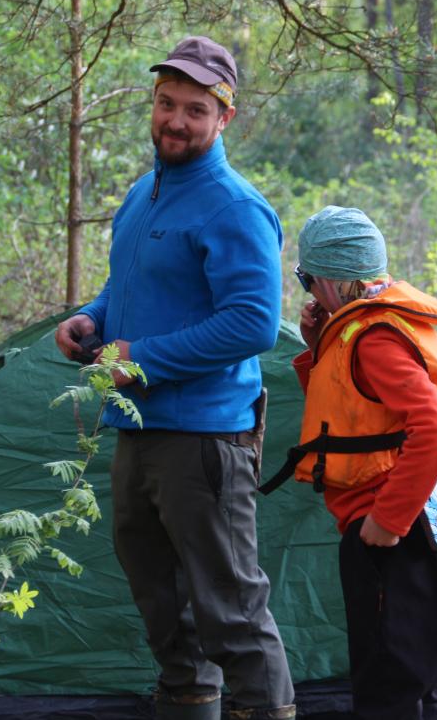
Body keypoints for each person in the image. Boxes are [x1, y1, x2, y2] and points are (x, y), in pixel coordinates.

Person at [55, 36, 294, 720]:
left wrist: (142, 359)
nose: (176, 121)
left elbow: (251, 322)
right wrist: (91, 320)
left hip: (206, 439)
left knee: (233, 615)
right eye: (166, 104)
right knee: (165, 611)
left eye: (195, 109)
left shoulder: (233, 205)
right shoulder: (144, 193)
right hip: (138, 429)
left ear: (226, 118)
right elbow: (130, 289)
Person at [259, 206, 437, 720]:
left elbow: (436, 426)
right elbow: (353, 416)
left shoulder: (373, 339)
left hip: (393, 530)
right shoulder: (366, 329)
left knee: (385, 686)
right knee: (415, 683)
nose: (307, 291)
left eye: (307, 278)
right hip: (418, 523)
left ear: (329, 276)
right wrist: (318, 345)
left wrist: (385, 525)